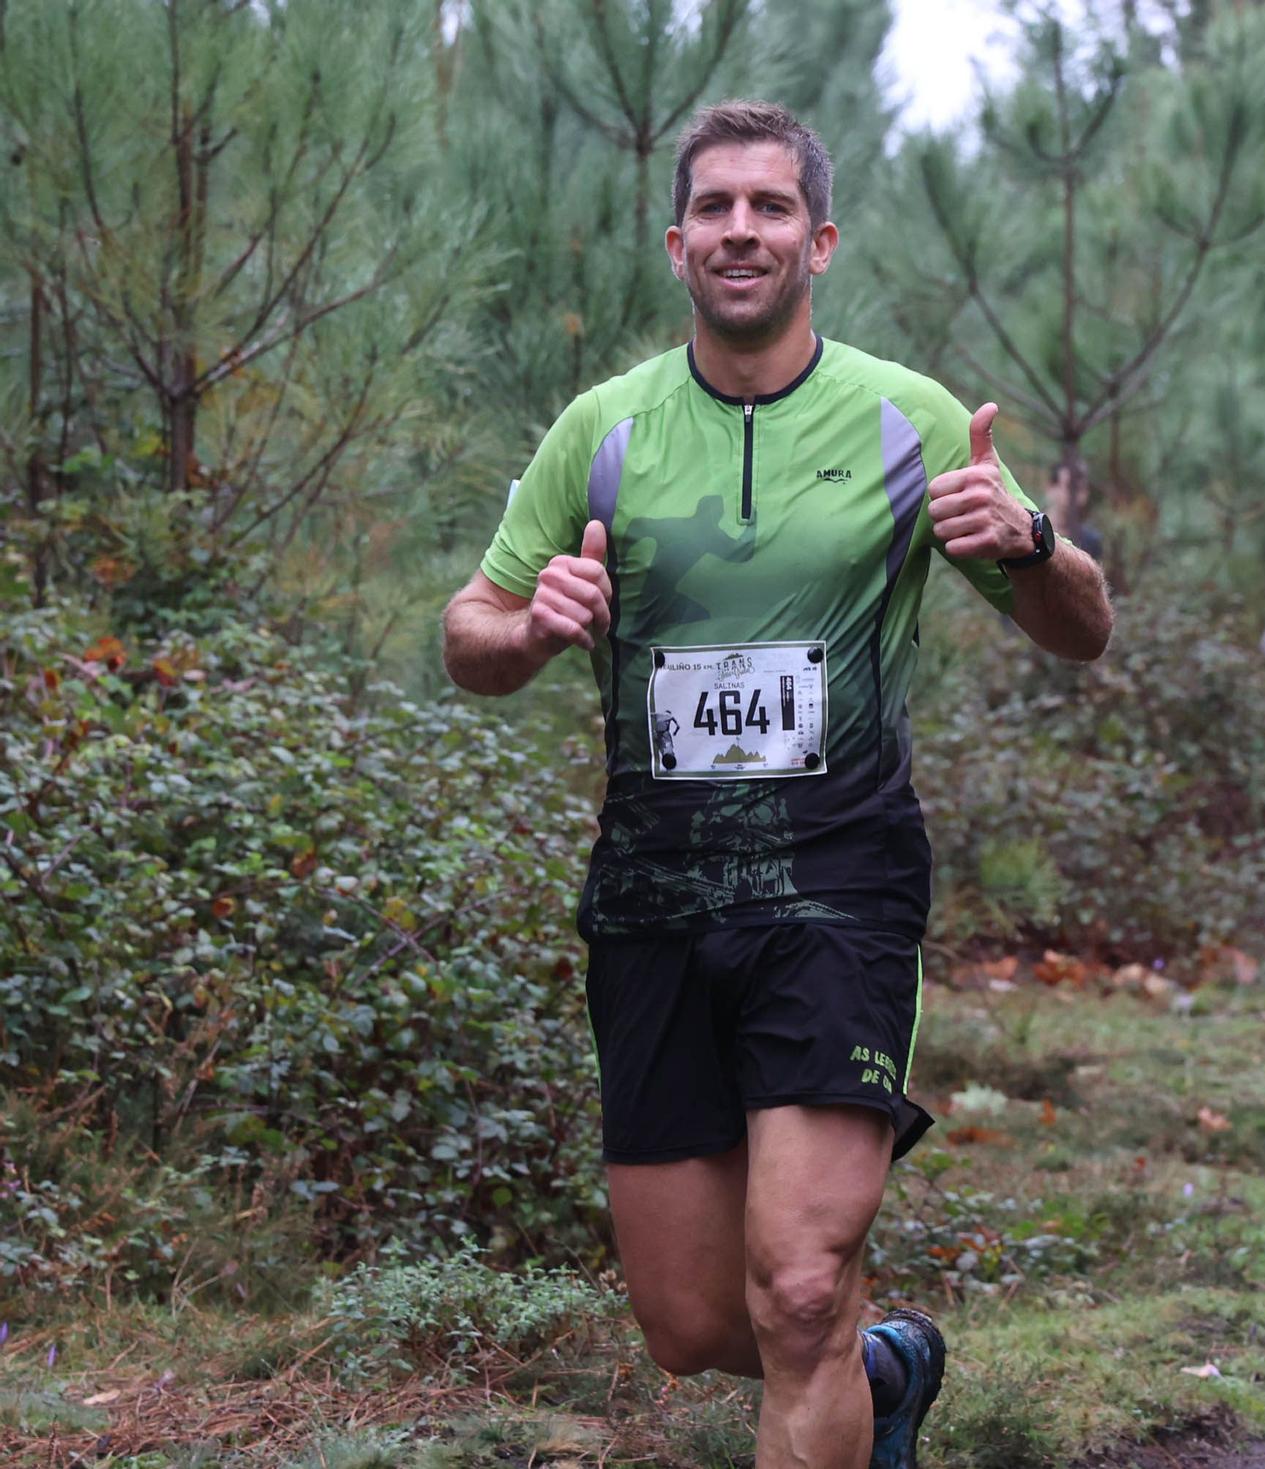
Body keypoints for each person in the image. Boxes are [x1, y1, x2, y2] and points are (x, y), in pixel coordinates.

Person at [440, 100, 1113, 1469]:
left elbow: (1082, 632)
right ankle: (880, 1370)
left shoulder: (906, 420)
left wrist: (1035, 543)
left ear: (821, 239)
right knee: (693, 1324)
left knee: (796, 1282)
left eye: (771, 206)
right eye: (716, 208)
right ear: (676, 238)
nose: (742, 229)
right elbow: (471, 637)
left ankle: (831, 1348)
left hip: (839, 887)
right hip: (653, 899)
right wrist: (534, 621)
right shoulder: (606, 428)